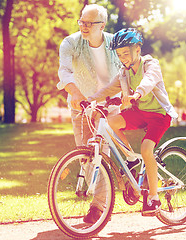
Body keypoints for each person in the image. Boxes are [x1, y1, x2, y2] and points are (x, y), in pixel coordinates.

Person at [88, 28, 178, 216]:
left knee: (146, 149)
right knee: (110, 122)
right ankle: (131, 157)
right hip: (140, 112)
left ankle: (153, 198)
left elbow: (149, 80)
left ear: (138, 49)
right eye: (120, 55)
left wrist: (136, 94)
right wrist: (91, 100)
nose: (123, 58)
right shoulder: (124, 72)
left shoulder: (150, 64)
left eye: (126, 53)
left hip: (159, 115)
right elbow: (108, 89)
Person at [56, 4, 121, 223]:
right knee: (86, 155)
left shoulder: (116, 43)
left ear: (101, 25)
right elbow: (64, 71)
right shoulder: (71, 43)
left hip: (109, 104)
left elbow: (128, 67)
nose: (83, 26)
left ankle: (99, 206)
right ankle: (110, 192)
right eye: (81, 21)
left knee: (102, 154)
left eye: (89, 23)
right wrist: (75, 92)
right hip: (81, 105)